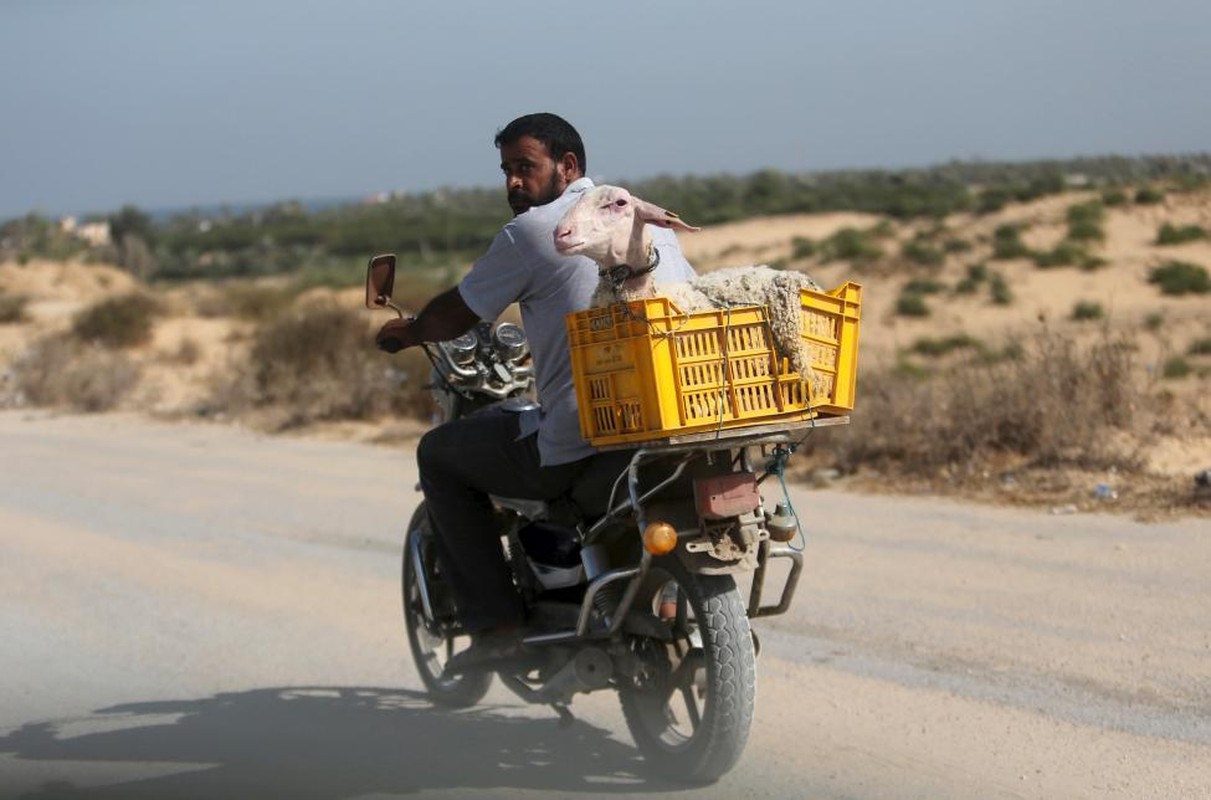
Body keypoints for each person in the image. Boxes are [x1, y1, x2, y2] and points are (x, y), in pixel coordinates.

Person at [375, 112, 696, 669]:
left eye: (525, 167)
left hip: (586, 438)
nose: (513, 183)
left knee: (441, 455)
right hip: (666, 418)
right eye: (506, 171)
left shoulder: (536, 231)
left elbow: (457, 312)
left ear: (568, 167)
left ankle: (497, 626)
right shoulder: (644, 219)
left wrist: (409, 331)